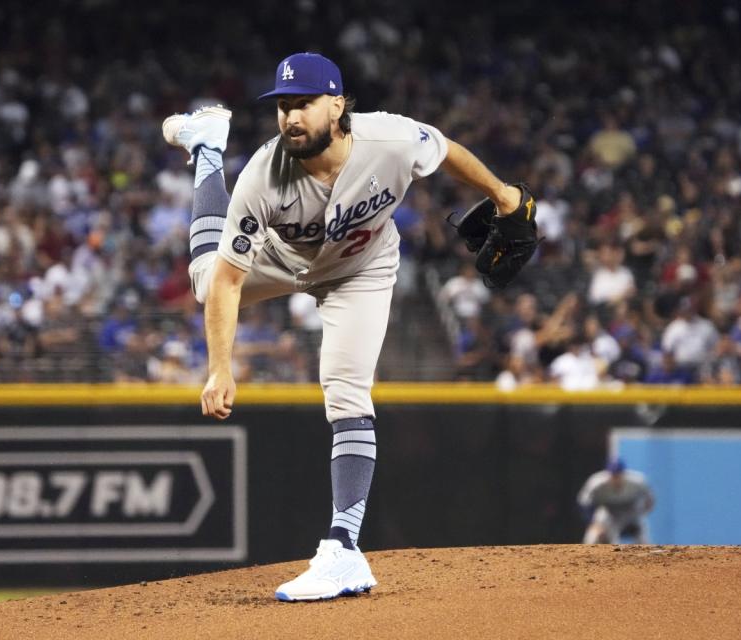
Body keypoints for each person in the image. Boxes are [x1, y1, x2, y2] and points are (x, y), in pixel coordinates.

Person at [162, 52, 532, 601]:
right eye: (283, 106)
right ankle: (209, 148)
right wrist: (220, 369)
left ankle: (343, 549)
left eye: (303, 104)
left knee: (346, 390)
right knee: (203, 279)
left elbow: (445, 149)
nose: (290, 117)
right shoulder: (264, 175)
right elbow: (228, 284)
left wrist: (503, 195)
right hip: (284, 258)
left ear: (336, 104)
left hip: (362, 267)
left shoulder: (391, 139)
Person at [577, 459, 655, 544]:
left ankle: (647, 556)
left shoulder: (637, 481)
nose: (615, 477)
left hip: (631, 512)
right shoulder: (596, 482)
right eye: (613, 474)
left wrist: (641, 513)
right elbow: (584, 503)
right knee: (592, 537)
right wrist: (593, 523)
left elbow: (650, 499)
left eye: (618, 474)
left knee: (643, 539)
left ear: (623, 473)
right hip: (608, 512)